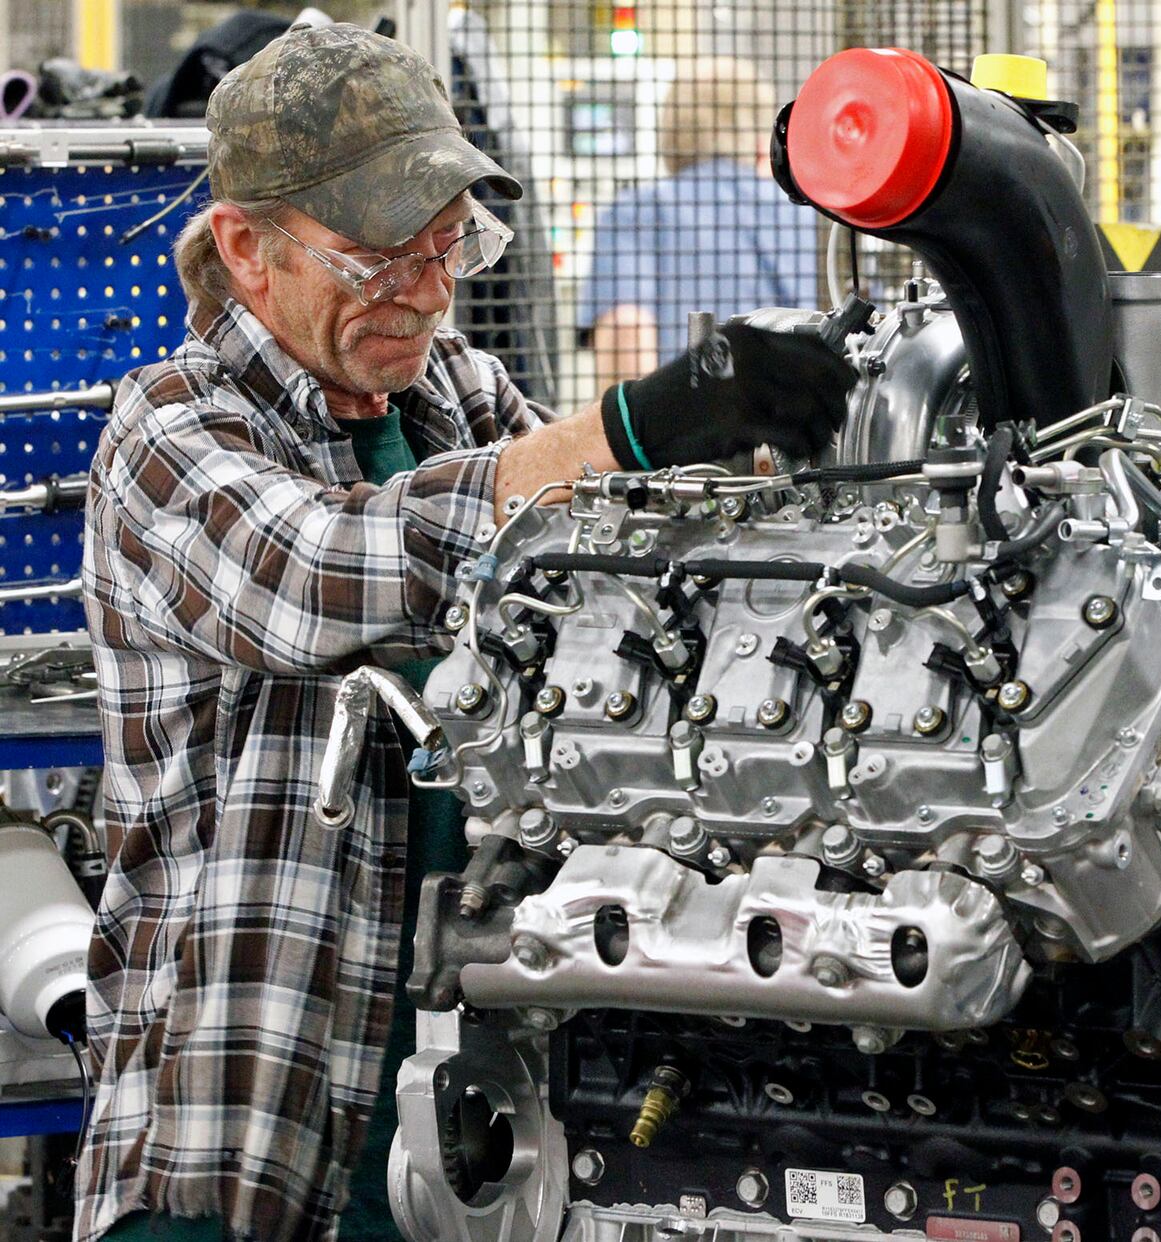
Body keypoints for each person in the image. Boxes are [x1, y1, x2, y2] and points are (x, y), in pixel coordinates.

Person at [74, 23, 851, 1242]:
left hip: (475, 1115)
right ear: (244, 248)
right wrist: (637, 422)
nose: (431, 294)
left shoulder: (464, 399)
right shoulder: (168, 434)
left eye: (449, 250)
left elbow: (618, 572)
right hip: (244, 1115)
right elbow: (326, 567)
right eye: (383, 260)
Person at [579, 58, 820, 390]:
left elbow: (626, 330)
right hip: (787, 422)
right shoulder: (803, 216)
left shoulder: (637, 212)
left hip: (682, 426)